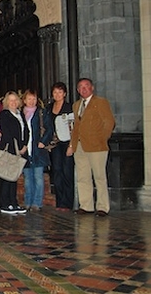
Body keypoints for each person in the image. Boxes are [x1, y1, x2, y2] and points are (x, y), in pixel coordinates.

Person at [68, 78, 115, 216]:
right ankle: (86, 205)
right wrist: (72, 144)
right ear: (77, 90)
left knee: (99, 177)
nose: (83, 89)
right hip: (80, 146)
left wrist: (102, 138)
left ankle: (102, 207)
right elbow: (76, 126)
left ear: (92, 88)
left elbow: (109, 122)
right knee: (83, 177)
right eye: (80, 87)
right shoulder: (76, 105)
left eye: (86, 86)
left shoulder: (100, 102)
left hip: (97, 146)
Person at [44, 82, 75, 211]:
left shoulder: (69, 107)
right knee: (57, 172)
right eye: (55, 92)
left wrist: (72, 145)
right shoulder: (49, 108)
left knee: (67, 172)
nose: (57, 94)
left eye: (60, 92)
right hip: (55, 145)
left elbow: (73, 127)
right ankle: (60, 201)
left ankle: (67, 203)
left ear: (65, 94)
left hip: (67, 143)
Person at [0, 91, 29, 214]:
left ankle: (14, 202)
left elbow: (26, 130)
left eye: (15, 100)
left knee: (14, 177)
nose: (13, 102)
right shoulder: (5, 114)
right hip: (10, 149)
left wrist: (25, 145)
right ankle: (5, 203)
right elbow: (7, 132)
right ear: (6, 102)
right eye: (10, 100)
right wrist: (18, 146)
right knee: (7, 177)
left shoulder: (20, 114)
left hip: (20, 149)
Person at [22, 89, 51, 211]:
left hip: (38, 151)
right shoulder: (20, 114)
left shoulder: (41, 113)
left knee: (38, 178)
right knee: (28, 179)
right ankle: (28, 201)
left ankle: (37, 203)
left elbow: (49, 129)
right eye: (29, 99)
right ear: (24, 100)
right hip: (25, 151)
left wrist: (43, 142)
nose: (32, 101)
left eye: (34, 99)